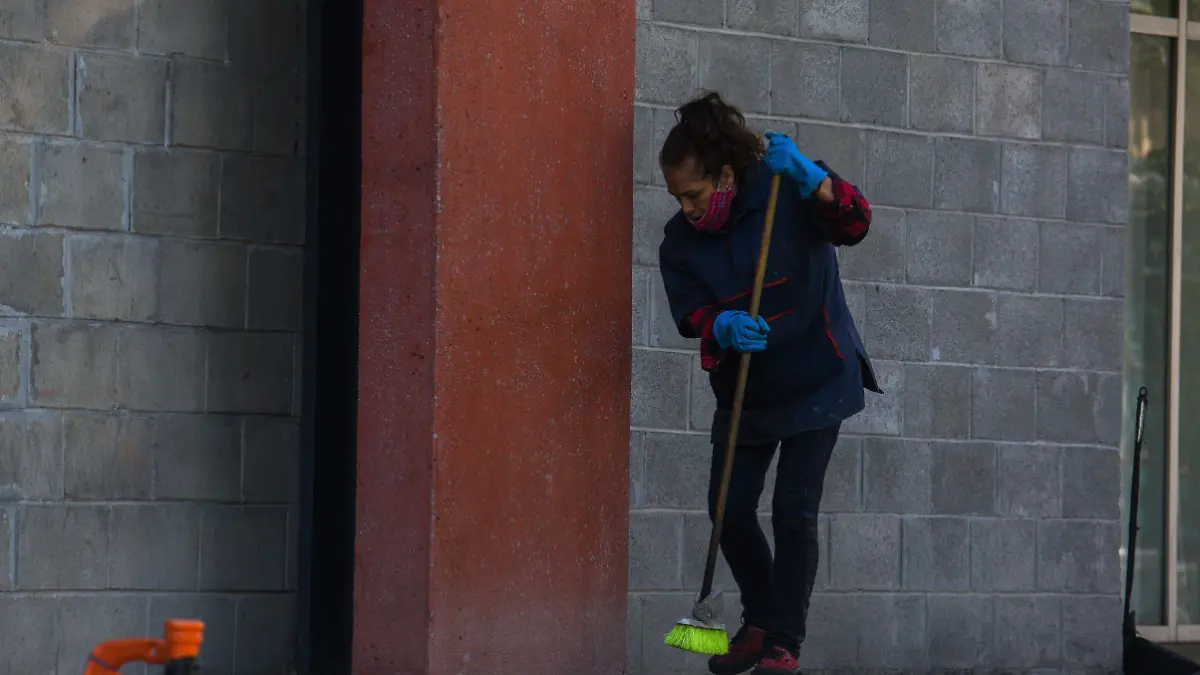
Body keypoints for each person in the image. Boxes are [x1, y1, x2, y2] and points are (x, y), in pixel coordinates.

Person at [657, 91, 882, 675]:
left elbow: (855, 223)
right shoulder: (679, 241)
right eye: (677, 197)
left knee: (793, 509)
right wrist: (722, 324)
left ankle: (784, 643)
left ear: (726, 175)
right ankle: (758, 621)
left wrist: (814, 178)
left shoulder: (785, 187)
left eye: (695, 194)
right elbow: (690, 314)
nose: (686, 208)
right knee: (727, 509)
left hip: (818, 373)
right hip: (748, 388)